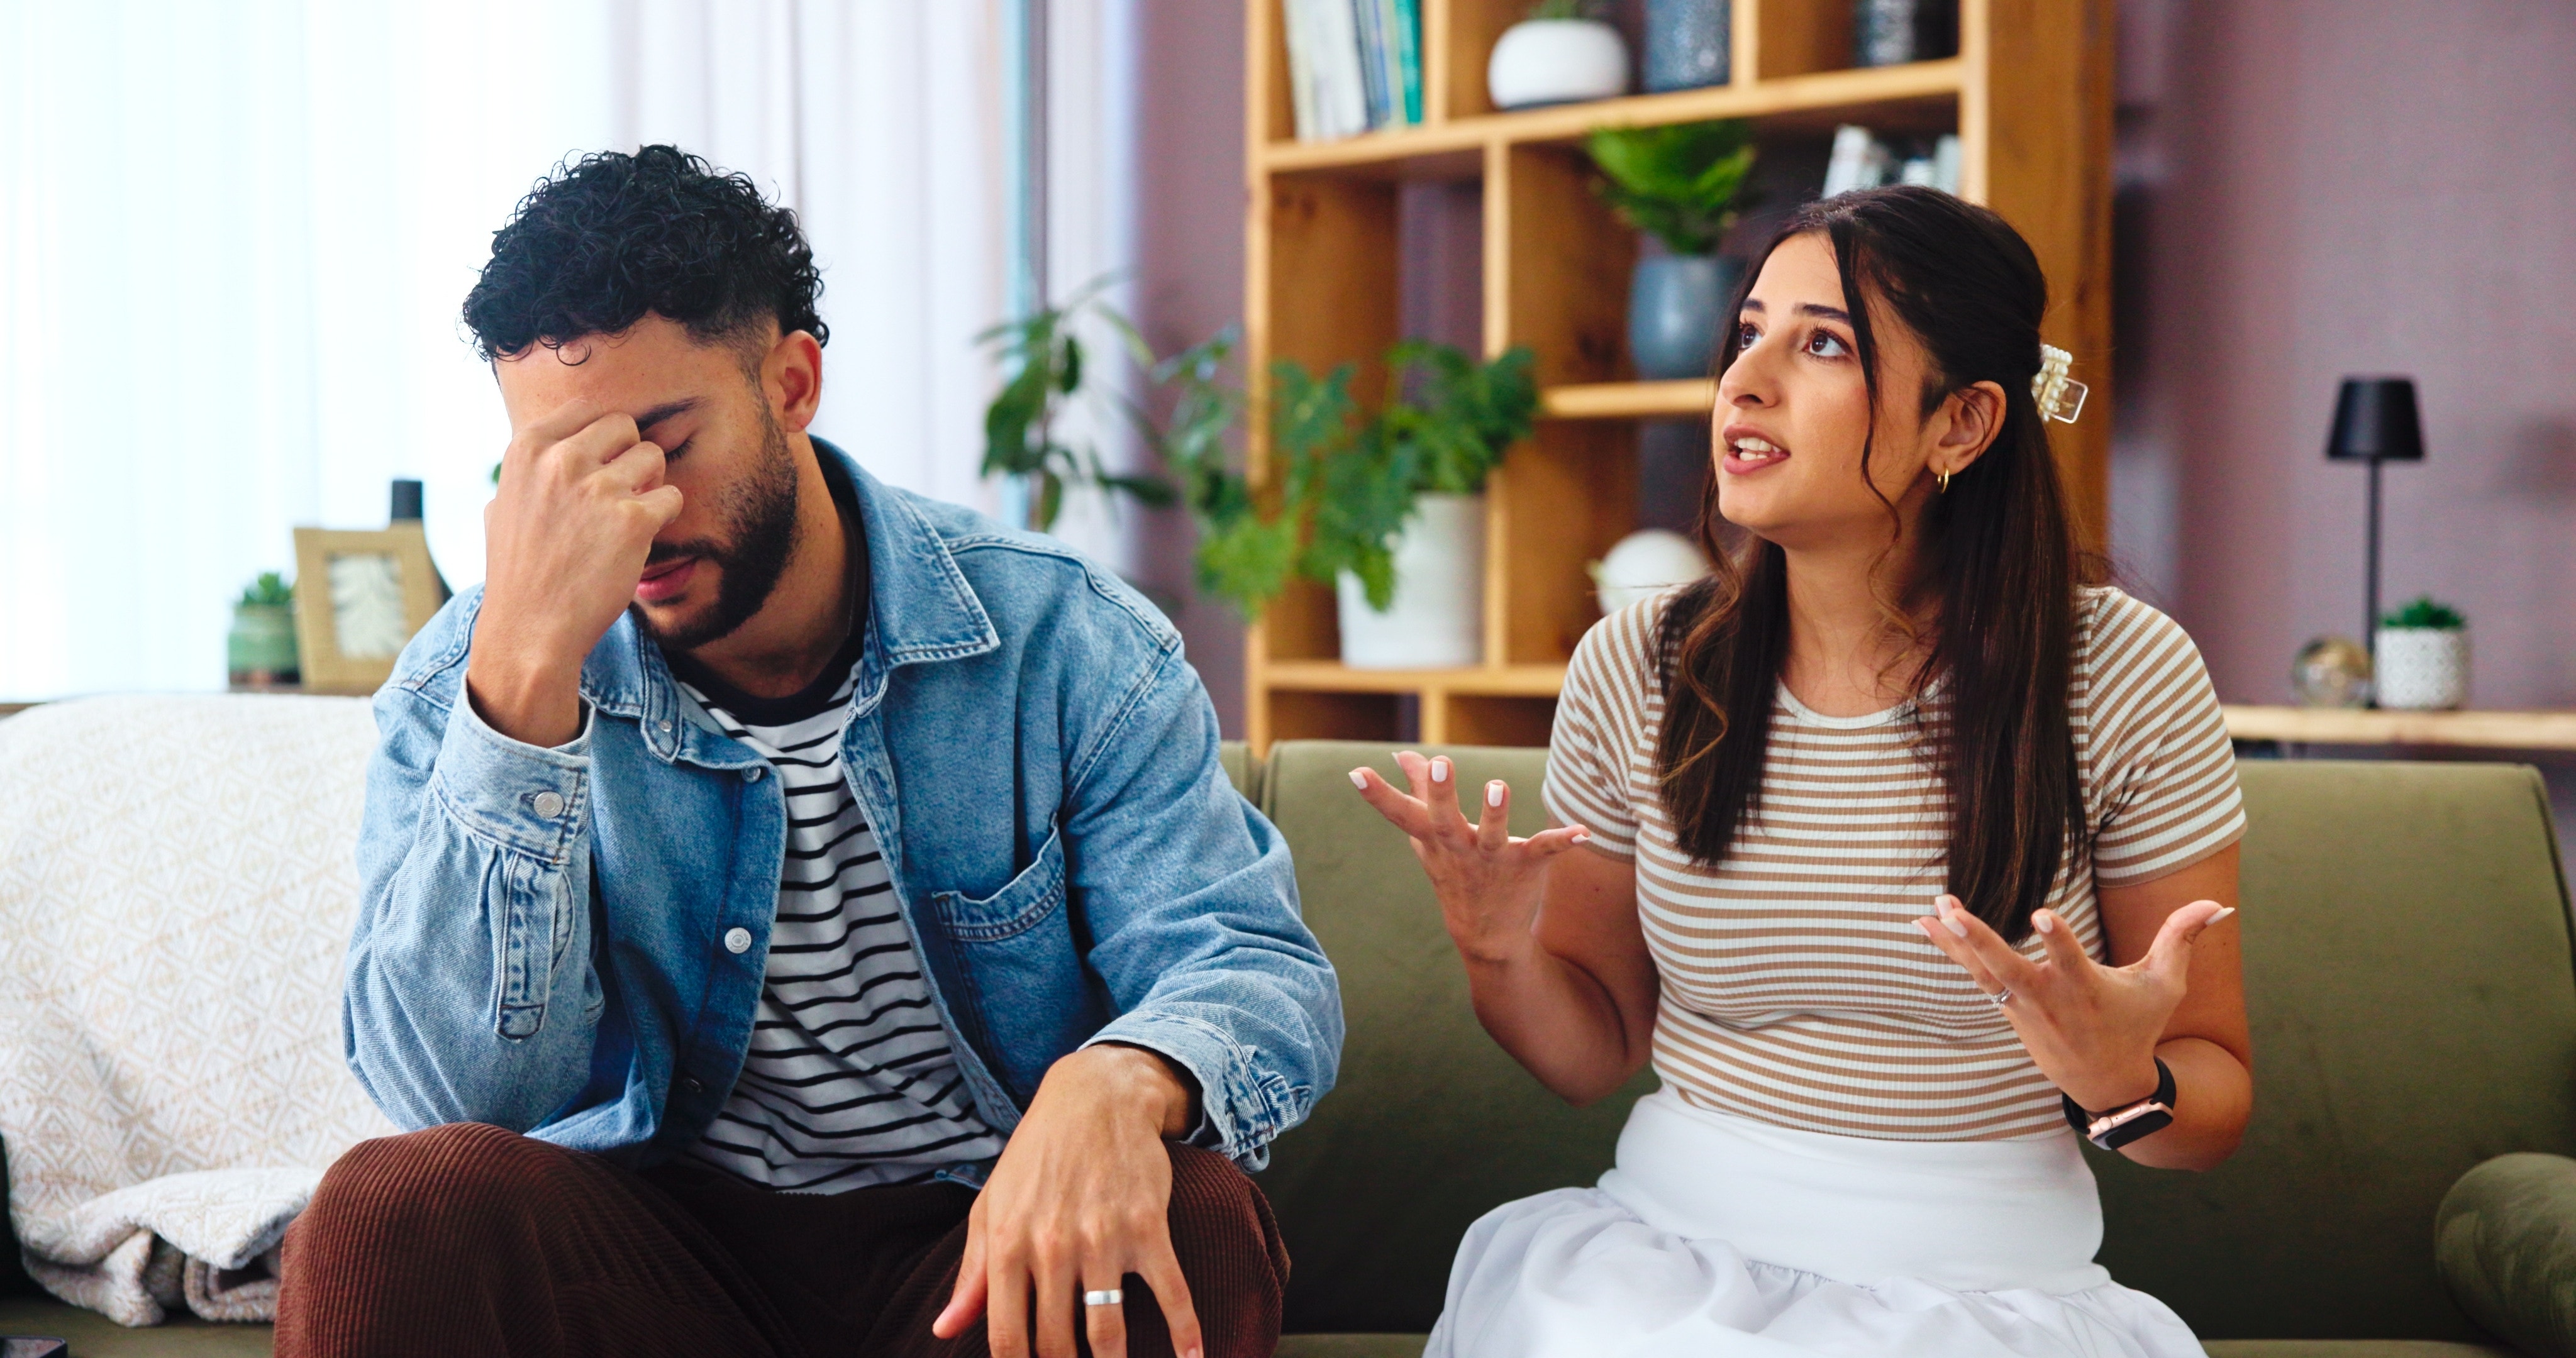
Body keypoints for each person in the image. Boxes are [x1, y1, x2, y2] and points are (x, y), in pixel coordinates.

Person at [277, 145, 1341, 1358]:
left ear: (791, 383)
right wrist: (523, 686)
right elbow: (456, 1099)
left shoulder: (1067, 645)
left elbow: (1251, 962)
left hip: (974, 1248)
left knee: (1191, 1220)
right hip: (648, 1245)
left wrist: (1123, 1079)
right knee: (385, 1206)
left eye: (663, 440)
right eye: (569, 468)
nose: (633, 514)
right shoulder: (470, 681)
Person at [1352, 185, 2250, 1357]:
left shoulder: (2121, 671)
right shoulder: (1640, 661)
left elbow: (2215, 1100)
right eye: (1750, 333)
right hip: (1663, 1263)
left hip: (1984, 1292)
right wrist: (1494, 946)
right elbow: (1590, 1053)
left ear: (1963, 424)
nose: (1747, 379)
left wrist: (2123, 1077)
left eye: (1822, 343)